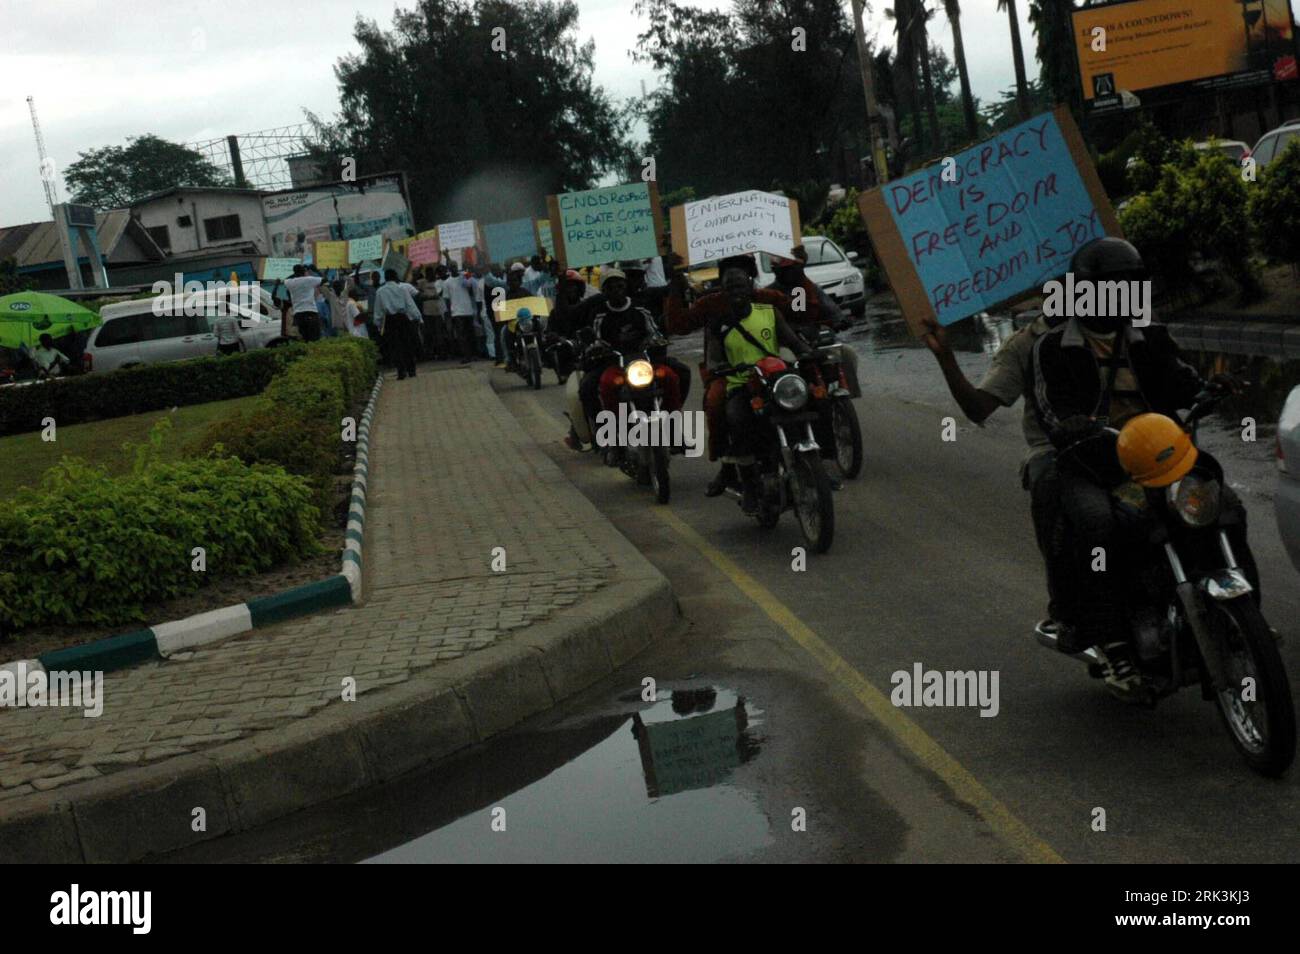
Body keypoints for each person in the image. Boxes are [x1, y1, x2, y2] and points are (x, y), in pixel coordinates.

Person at [922, 237, 1249, 692]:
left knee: (1224, 506)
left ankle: (1244, 620)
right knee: (1093, 520)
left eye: (1130, 285)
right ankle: (1102, 635)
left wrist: (1209, 390)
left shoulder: (1145, 333)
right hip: (1084, 458)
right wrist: (945, 357)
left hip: (1156, 451)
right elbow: (1011, 410)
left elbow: (1178, 380)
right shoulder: (1043, 346)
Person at [664, 252, 802, 495]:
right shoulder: (711, 304)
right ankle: (727, 464)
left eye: (741, 279)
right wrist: (675, 285)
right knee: (716, 404)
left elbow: (799, 308)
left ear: (751, 280)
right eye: (730, 281)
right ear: (722, 282)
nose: (736, 289)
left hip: (770, 374)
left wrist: (800, 273)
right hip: (727, 374)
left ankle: (814, 461)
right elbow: (677, 324)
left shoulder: (767, 300)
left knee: (808, 392)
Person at [707, 266, 813, 513]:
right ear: (723, 291)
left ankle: (813, 466)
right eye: (730, 287)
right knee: (737, 420)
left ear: (751, 286)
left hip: (774, 381)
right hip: (742, 385)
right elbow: (712, 358)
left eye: (740, 285)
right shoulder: (718, 325)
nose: (736, 291)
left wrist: (807, 354)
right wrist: (721, 367)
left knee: (809, 404)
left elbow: (793, 342)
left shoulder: (769, 313)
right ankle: (750, 486)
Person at [374, 269, 422, 379]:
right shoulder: (402, 289)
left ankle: (401, 372)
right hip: (403, 318)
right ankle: (411, 370)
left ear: (385, 278)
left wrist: (378, 323)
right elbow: (410, 305)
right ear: (395, 277)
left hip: (390, 320)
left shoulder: (380, 291)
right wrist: (417, 317)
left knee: (395, 346)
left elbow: (379, 310)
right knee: (407, 344)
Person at [442, 261, 481, 363]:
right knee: (461, 336)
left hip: (468, 310)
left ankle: (474, 355)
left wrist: (466, 272)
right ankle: (466, 356)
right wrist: (449, 313)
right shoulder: (446, 282)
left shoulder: (464, 275)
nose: (454, 268)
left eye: (455, 266)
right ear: (449, 269)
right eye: (452, 267)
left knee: (471, 334)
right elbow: (446, 299)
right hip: (456, 312)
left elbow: (472, 282)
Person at [283, 265, 324, 341]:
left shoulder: (290, 282)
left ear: (294, 273)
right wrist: (316, 270)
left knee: (304, 338)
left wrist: (295, 273)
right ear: (304, 272)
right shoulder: (309, 280)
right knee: (315, 337)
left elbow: (285, 280)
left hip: (298, 314)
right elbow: (325, 280)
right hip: (311, 311)